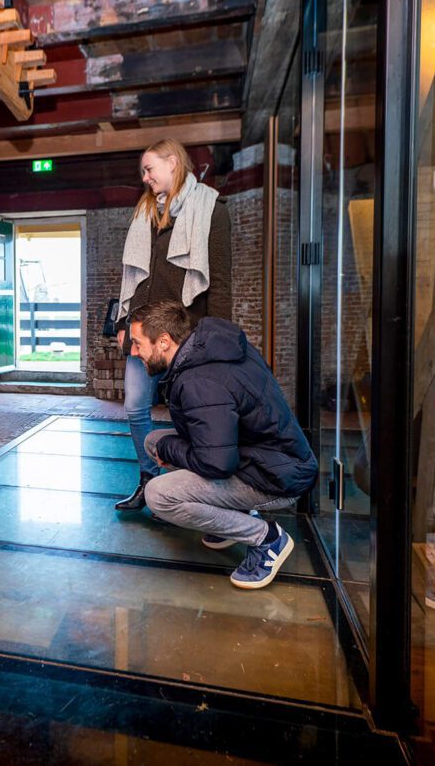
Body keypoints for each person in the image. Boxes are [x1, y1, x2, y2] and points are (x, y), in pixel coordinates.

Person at [127, 300, 316, 590]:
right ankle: (235, 515)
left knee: (159, 495)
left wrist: (169, 451)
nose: (133, 351)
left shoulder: (199, 381)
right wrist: (164, 448)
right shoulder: (208, 349)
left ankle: (265, 538)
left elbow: (217, 463)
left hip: (276, 477)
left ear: (163, 341)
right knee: (153, 440)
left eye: (138, 343)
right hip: (262, 457)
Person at [113, 139, 232, 512]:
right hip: (142, 332)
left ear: (172, 163)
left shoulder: (211, 207)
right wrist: (123, 319)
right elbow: (133, 276)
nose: (145, 177)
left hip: (185, 333)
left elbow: (221, 282)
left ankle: (188, 485)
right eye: (143, 172)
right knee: (135, 407)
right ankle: (149, 479)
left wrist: (216, 336)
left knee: (190, 413)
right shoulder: (145, 211)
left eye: (149, 169)